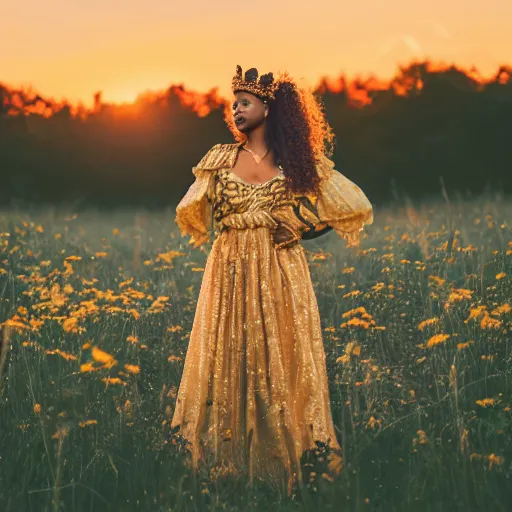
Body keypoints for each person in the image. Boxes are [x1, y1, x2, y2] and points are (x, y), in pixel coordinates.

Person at [170, 65, 373, 495]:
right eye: (234, 104)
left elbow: (346, 206)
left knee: (280, 353)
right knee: (232, 352)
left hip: (281, 266)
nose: (236, 110)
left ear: (268, 107)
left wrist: (299, 227)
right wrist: (235, 221)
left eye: (245, 102)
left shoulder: (296, 160)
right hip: (229, 266)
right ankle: (229, 467)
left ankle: (287, 462)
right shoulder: (220, 158)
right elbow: (193, 213)